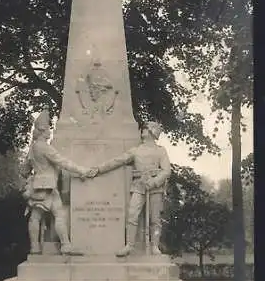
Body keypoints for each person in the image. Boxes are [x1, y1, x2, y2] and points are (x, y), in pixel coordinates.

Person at [21, 108, 96, 255]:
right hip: (48, 186)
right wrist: (82, 170)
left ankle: (35, 247)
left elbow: (24, 171)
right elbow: (63, 162)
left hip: (37, 186)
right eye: (49, 128)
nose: (50, 131)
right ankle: (65, 245)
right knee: (59, 215)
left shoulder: (33, 148)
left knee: (35, 217)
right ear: (43, 131)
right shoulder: (45, 148)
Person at [96, 121, 171, 257]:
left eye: (146, 128)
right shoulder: (136, 150)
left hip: (155, 187)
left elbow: (166, 171)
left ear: (152, 132)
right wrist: (99, 169)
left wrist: (154, 182)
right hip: (139, 185)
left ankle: (154, 246)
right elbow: (118, 161)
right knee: (132, 214)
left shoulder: (161, 151)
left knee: (155, 219)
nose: (143, 130)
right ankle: (129, 245)